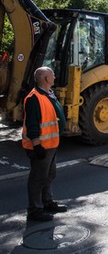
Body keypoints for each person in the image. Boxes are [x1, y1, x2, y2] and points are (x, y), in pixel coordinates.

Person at [22, 66, 67, 222]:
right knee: (38, 178)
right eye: (52, 75)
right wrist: (36, 145)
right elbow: (32, 123)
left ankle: (47, 202)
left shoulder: (48, 94)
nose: (54, 77)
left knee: (49, 175)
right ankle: (34, 209)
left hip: (51, 143)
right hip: (42, 146)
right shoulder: (34, 98)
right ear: (46, 79)